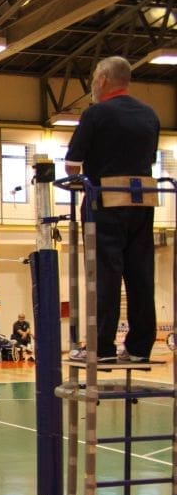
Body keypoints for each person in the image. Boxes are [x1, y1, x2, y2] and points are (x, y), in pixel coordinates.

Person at [66, 55, 160, 363]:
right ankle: (140, 347)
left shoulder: (96, 113)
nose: (93, 83)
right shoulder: (150, 115)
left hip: (105, 201)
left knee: (104, 274)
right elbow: (147, 158)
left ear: (103, 80)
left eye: (95, 77)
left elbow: (72, 164)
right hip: (143, 201)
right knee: (141, 274)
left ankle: (102, 347)